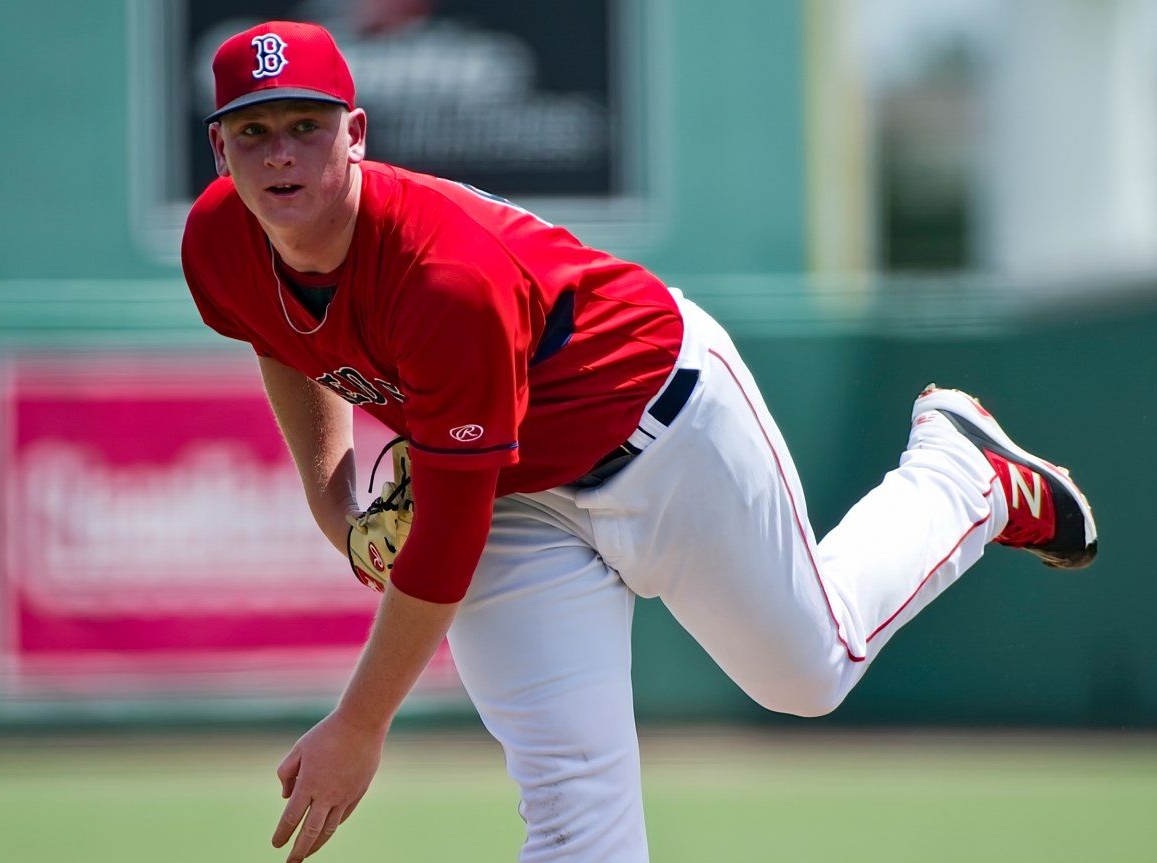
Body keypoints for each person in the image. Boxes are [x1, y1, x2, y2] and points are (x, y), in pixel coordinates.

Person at [181, 20, 1098, 863]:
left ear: (356, 134)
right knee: (573, 805)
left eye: (305, 123)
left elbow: (444, 544)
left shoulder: (444, 277)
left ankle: (958, 470)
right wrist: (334, 505)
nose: (281, 153)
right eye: (254, 132)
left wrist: (358, 725)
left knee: (808, 672)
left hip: (664, 423)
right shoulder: (219, 240)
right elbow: (280, 336)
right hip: (516, 498)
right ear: (220, 148)